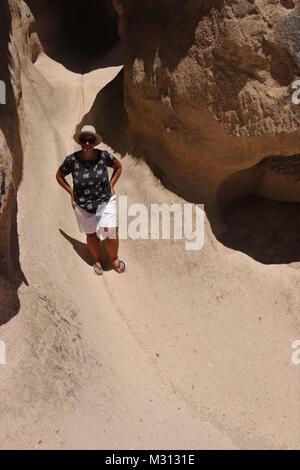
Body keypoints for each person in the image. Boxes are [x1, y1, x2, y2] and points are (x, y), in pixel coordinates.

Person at [56, 125, 126, 275]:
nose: (87, 143)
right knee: (91, 234)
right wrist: (71, 192)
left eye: (90, 140)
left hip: (105, 202)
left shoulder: (103, 156)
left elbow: (118, 167)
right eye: (84, 140)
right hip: (83, 206)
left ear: (94, 142)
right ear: (80, 142)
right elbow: (59, 176)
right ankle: (98, 260)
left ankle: (114, 259)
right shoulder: (72, 160)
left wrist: (111, 184)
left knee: (109, 232)